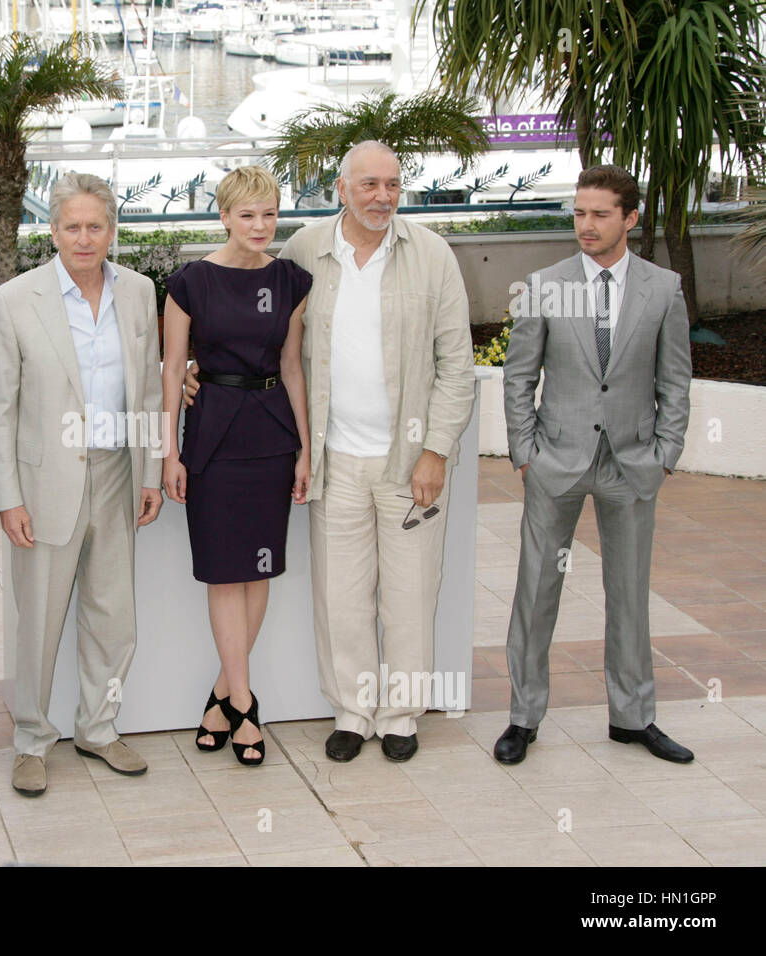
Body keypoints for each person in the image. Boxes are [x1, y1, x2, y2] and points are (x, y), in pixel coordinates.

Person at [188, 141, 474, 762]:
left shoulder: (432, 256)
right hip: (331, 457)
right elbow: (250, 332)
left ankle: (399, 716)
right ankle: (352, 711)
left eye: (393, 185)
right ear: (341, 189)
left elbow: (457, 367)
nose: (383, 196)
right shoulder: (302, 253)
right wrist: (191, 369)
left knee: (410, 592)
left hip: (408, 462)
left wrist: (438, 451)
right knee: (340, 597)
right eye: (369, 184)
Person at [495, 165, 694, 765]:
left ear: (630, 219)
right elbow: (519, 374)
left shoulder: (663, 288)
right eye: (579, 213)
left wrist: (665, 454)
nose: (586, 224)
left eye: (600, 214)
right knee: (536, 589)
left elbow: (675, 379)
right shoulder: (545, 283)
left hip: (632, 465)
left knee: (629, 593)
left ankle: (633, 718)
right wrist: (525, 451)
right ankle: (523, 719)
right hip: (555, 461)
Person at [0, 171, 163, 796]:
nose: (85, 238)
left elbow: (148, 388)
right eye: (72, 226)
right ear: (52, 230)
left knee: (114, 616)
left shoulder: (139, 293)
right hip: (45, 482)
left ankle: (100, 728)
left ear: (112, 230)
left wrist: (153, 472)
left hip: (117, 472)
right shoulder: (14, 300)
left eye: (96, 226)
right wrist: (8, 497)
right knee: (41, 621)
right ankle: (32, 739)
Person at [161, 165, 312, 766]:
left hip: (272, 434)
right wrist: (168, 452)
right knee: (225, 572)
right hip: (212, 436)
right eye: (246, 215)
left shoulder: (293, 279)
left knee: (259, 571)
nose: (259, 225)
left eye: (269, 214)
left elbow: (294, 366)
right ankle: (247, 705)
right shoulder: (189, 282)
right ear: (223, 216)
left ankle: (223, 696)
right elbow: (174, 370)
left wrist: (304, 450)